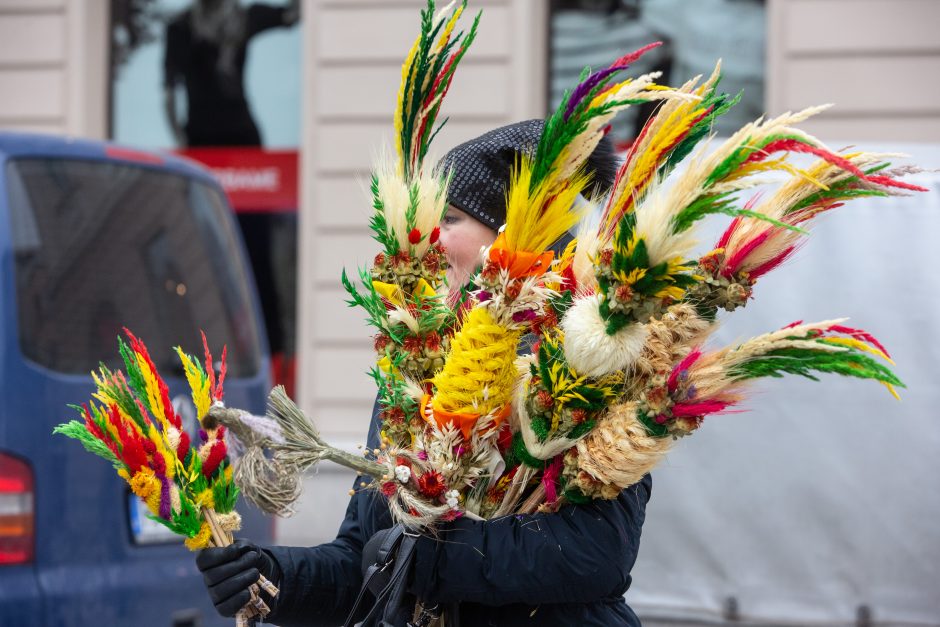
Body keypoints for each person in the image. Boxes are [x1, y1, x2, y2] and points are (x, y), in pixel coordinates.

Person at [196, 120, 653, 626]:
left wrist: (420, 556)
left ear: (512, 239)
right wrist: (271, 578)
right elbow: (362, 560)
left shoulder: (580, 366)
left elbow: (594, 552)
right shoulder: (411, 374)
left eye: (450, 219)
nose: (425, 241)